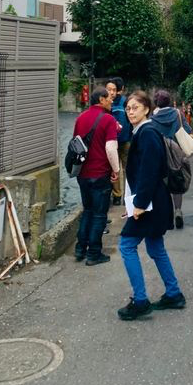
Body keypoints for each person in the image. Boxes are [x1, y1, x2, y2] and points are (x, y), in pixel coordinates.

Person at [117, 91, 185, 321]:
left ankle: (140, 301)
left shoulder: (146, 133)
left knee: (126, 245)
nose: (130, 112)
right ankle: (174, 294)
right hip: (153, 201)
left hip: (150, 203)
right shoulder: (144, 131)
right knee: (155, 247)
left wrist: (139, 204)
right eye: (128, 108)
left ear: (147, 109)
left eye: (135, 107)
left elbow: (149, 171)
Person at [72, 85, 119, 265]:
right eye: (109, 98)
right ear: (101, 99)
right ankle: (93, 253)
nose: (111, 100)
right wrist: (116, 169)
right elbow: (110, 148)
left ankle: (80, 249)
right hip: (100, 173)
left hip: (83, 174)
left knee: (88, 211)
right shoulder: (108, 119)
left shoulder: (80, 118)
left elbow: (75, 143)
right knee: (99, 215)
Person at [152, 89, 192, 229]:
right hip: (176, 154)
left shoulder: (153, 118)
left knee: (162, 184)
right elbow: (188, 130)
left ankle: (165, 215)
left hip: (160, 154)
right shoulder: (177, 114)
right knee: (177, 183)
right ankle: (178, 211)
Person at [107, 78, 131, 205]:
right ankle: (117, 195)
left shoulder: (125, 102)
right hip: (112, 141)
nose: (112, 92)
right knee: (114, 169)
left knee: (128, 169)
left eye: (114, 90)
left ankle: (128, 195)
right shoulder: (106, 102)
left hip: (125, 141)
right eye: (109, 90)